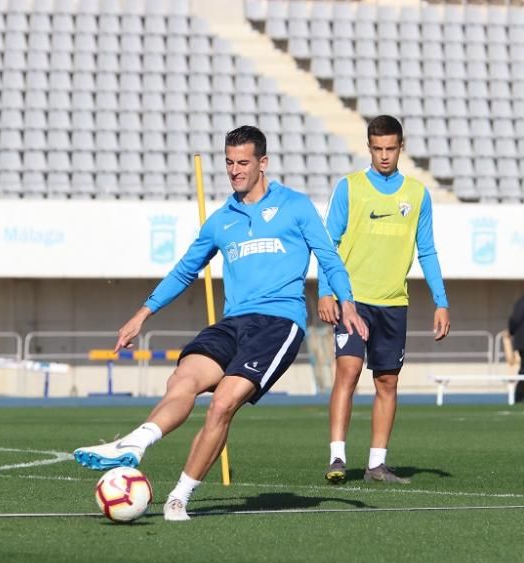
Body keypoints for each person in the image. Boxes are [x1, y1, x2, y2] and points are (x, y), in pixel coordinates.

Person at [72, 126, 369, 520]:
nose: (234, 170)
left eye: (243, 162)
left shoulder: (296, 207)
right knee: (182, 380)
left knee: (222, 404)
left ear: (263, 163)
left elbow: (328, 257)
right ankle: (136, 443)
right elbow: (184, 271)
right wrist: (142, 314)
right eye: (229, 162)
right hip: (233, 323)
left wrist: (346, 302)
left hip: (278, 324)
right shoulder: (220, 220)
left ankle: (179, 497)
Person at [317, 115, 450, 485]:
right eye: (378, 149)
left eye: (391, 149)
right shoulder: (350, 188)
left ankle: (377, 465)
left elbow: (428, 250)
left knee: (387, 382)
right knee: (348, 371)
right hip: (352, 302)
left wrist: (441, 301)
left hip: (394, 303)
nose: (384, 156)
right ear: (369, 147)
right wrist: (325, 291)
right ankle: (338, 458)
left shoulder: (418, 194)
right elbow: (329, 245)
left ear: (401, 147)